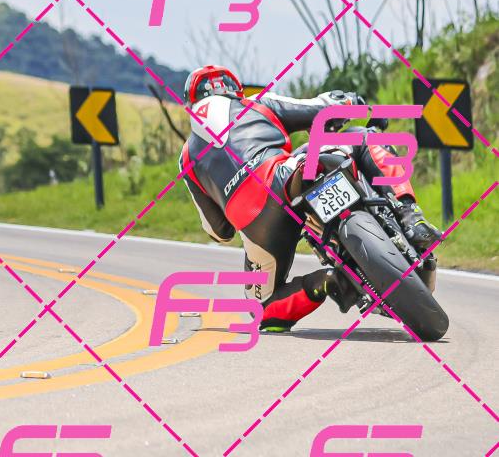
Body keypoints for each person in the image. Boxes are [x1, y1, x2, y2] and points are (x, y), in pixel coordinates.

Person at [179, 65, 441, 332]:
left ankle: (327, 281)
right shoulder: (256, 103)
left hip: (255, 227)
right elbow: (322, 107)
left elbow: (218, 231)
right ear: (235, 89)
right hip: (284, 176)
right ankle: (410, 215)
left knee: (261, 307)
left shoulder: (186, 157)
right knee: (365, 137)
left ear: (190, 103)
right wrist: (351, 101)